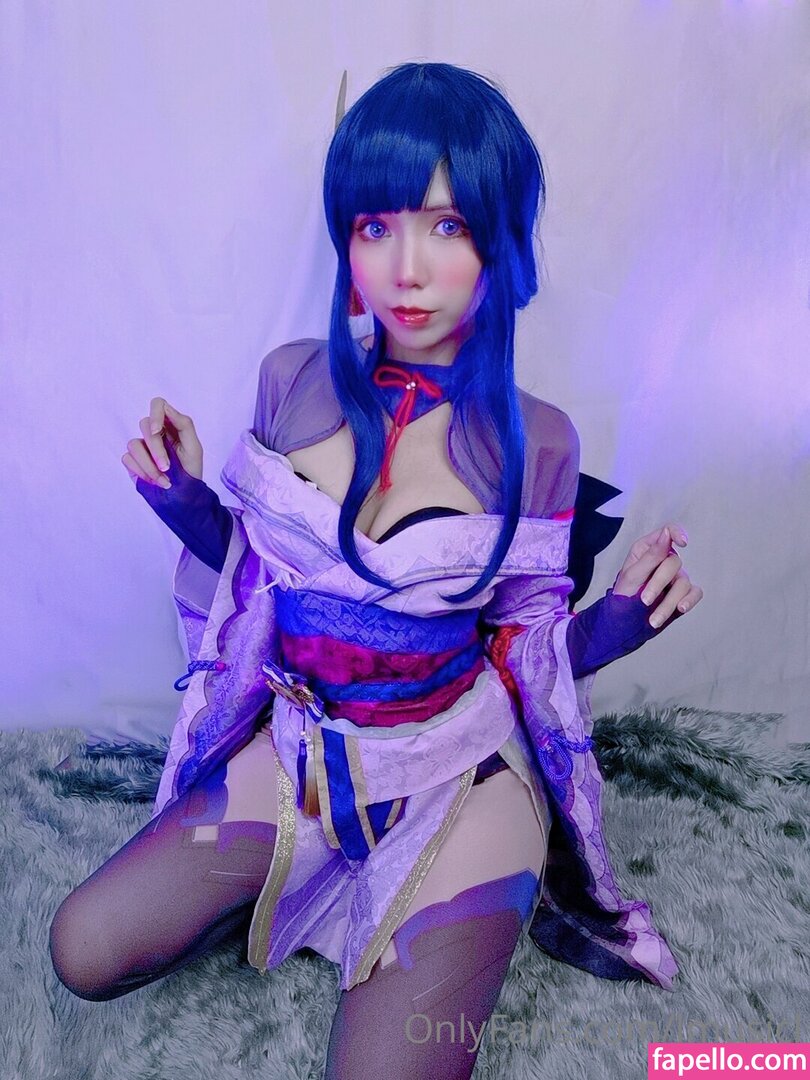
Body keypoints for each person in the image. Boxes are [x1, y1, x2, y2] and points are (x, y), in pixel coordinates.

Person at [49, 62, 702, 1078]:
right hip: (305, 758)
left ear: (499, 241)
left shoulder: (540, 444)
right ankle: (297, 889)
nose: (406, 268)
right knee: (83, 948)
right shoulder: (291, 381)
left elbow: (529, 655)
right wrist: (178, 497)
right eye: (375, 225)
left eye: (446, 226)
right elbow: (255, 581)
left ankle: (443, 897)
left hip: (460, 777)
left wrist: (622, 620)